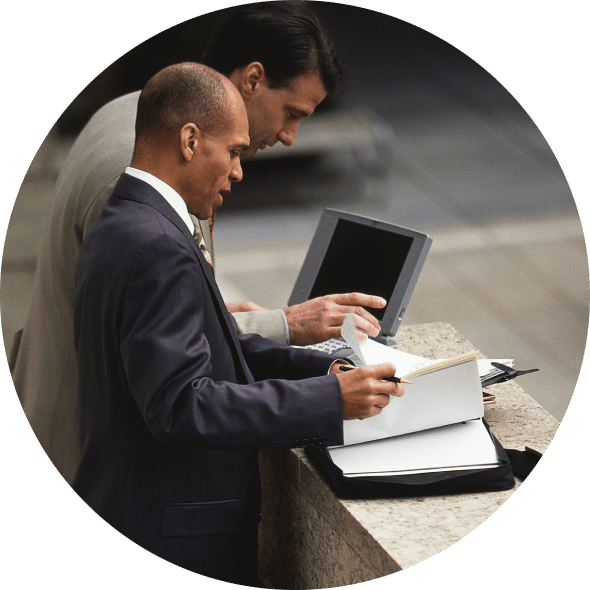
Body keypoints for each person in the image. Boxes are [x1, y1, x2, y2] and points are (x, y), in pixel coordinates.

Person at [10, 3, 385, 486]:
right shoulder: (136, 173)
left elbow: (137, 303)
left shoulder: (139, 113)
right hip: (81, 445)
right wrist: (284, 327)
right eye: (292, 113)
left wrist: (212, 310)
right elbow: (163, 375)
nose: (291, 137)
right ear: (252, 79)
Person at [72, 62, 402, 584]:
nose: (239, 171)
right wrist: (329, 402)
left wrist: (329, 370)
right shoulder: (157, 243)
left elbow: (214, 345)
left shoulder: (125, 219)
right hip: (173, 538)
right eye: (233, 152)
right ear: (188, 140)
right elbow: (183, 404)